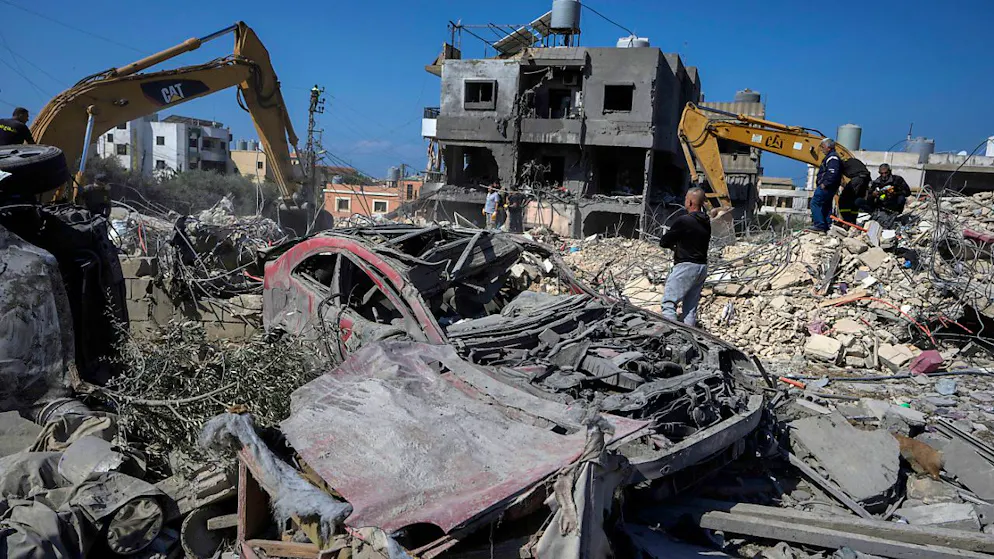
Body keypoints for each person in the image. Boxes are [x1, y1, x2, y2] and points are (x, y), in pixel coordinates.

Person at [659, 187, 711, 327]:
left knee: (669, 303)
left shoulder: (684, 221)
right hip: (701, 267)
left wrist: (674, 246)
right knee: (690, 309)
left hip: (686, 266)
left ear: (690, 202)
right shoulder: (706, 222)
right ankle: (689, 336)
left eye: (686, 199)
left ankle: (670, 336)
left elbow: (664, 241)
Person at [808, 138, 842, 232]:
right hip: (830, 187)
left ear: (828, 147)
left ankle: (819, 225)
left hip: (826, 187)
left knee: (815, 203)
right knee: (826, 206)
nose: (821, 149)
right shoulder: (832, 157)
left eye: (822, 147)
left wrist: (824, 183)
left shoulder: (832, 158)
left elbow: (833, 173)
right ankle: (827, 225)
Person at [838, 156, 871, 225]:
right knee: (854, 201)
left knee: (843, 200)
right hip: (866, 180)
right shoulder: (852, 161)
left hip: (858, 179)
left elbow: (836, 175)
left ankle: (846, 221)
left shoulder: (838, 163)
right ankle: (852, 220)